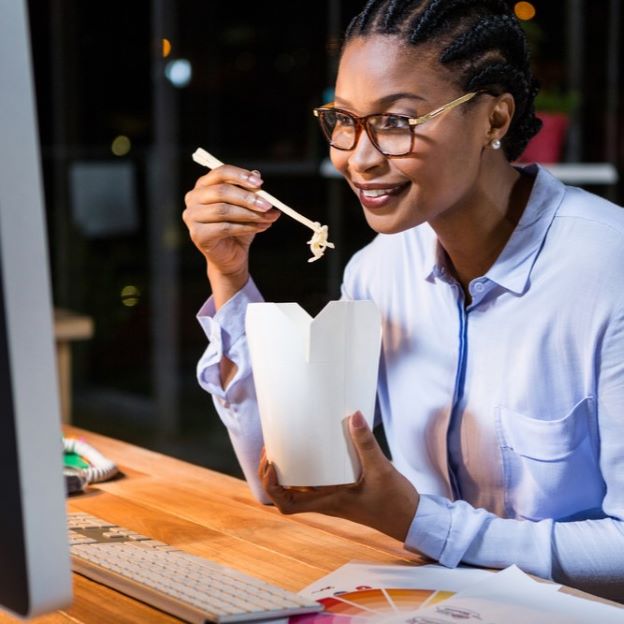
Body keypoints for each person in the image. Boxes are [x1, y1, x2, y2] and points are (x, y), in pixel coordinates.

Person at [183, 0, 624, 602]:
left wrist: (418, 521)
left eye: (395, 121)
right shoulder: (378, 274)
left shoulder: (608, 269)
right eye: (344, 119)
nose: (357, 158)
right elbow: (290, 476)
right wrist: (228, 273)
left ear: (494, 120)